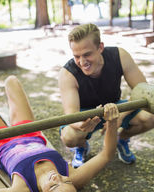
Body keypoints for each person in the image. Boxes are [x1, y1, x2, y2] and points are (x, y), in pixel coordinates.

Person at [59, 23, 154, 167]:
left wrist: (120, 117)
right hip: (85, 114)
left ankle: (121, 139)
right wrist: (81, 124)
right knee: (69, 137)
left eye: (87, 54)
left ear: (100, 47)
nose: (82, 62)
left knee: (150, 117)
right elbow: (71, 114)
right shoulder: (67, 74)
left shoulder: (120, 56)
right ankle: (82, 146)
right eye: (76, 56)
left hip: (116, 107)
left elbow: (143, 92)